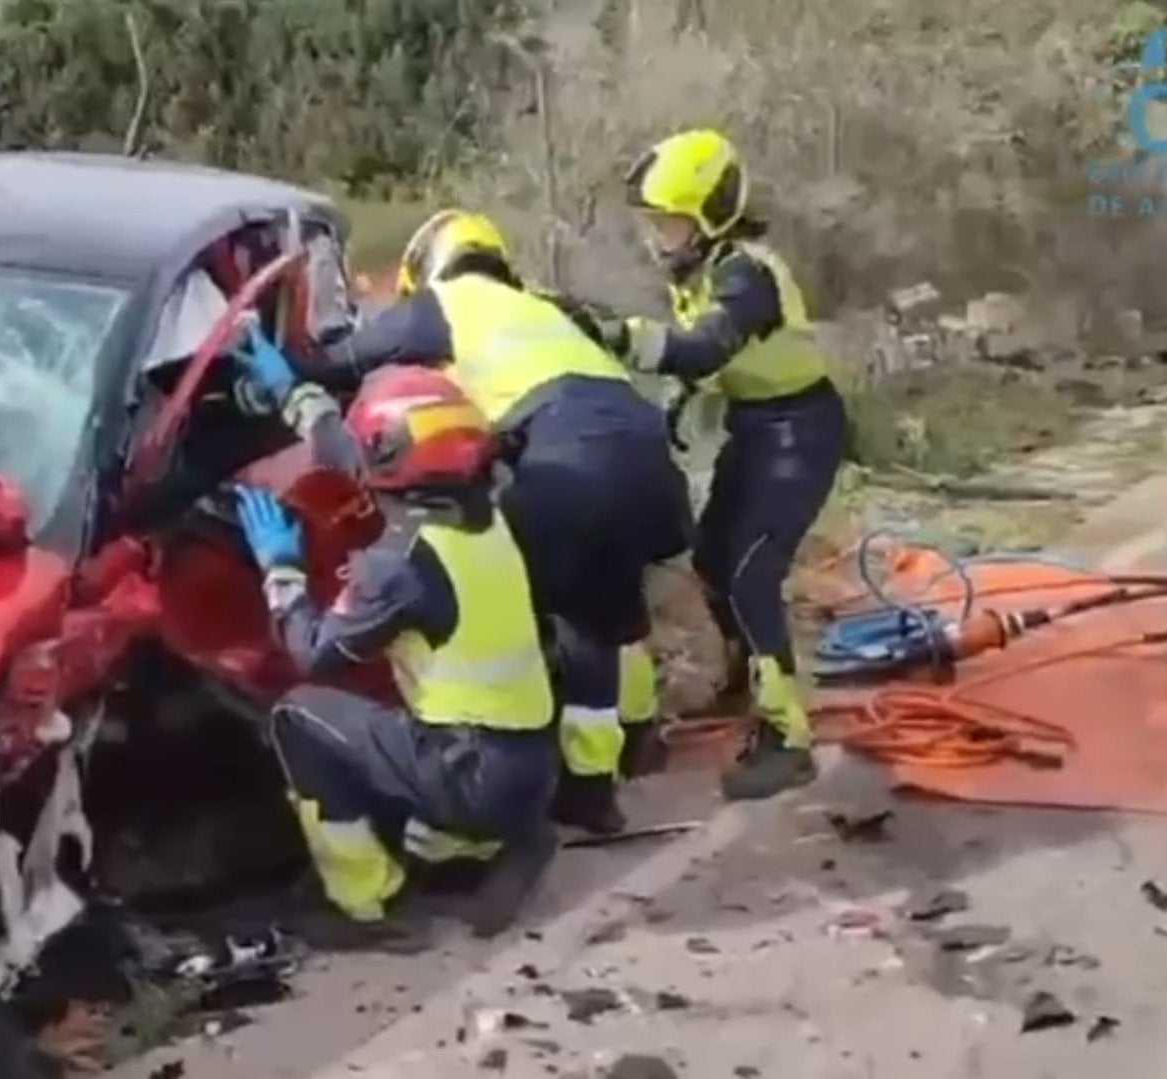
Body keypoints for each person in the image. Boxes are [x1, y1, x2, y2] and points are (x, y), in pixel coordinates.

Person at [297, 210, 692, 835]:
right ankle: (596, 786)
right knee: (597, 619)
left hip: (570, 465)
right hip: (649, 463)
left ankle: (487, 793)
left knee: (512, 603)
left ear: (429, 264)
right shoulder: (541, 308)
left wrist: (292, 386)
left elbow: (343, 361)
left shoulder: (446, 303)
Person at [229, 332, 563, 942]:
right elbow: (356, 455)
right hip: (534, 762)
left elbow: (312, 651)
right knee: (391, 706)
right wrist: (291, 394)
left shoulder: (401, 565)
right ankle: (496, 843)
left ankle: (366, 902)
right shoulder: (486, 514)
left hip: (470, 773)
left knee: (298, 718)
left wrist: (281, 569)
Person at [605, 128, 848, 802]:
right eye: (655, 221)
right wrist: (676, 406)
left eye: (670, 220)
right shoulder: (701, 272)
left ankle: (786, 735)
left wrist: (616, 335)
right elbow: (703, 362)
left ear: (710, 213)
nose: (658, 234)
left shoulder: (747, 275)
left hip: (801, 429)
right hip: (757, 424)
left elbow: (707, 345)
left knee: (750, 572)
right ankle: (747, 674)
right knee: (713, 557)